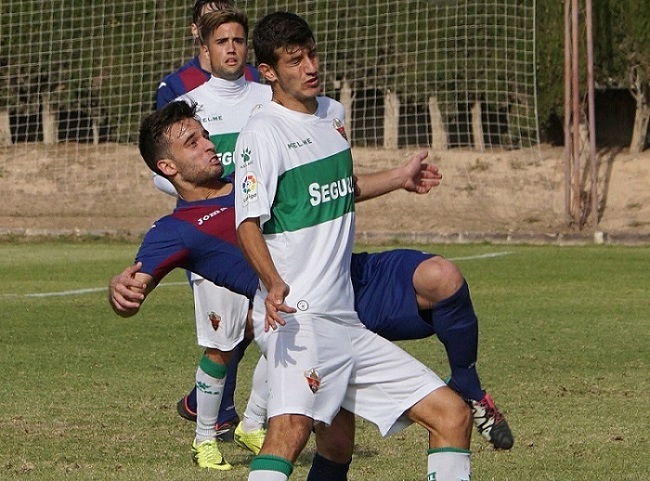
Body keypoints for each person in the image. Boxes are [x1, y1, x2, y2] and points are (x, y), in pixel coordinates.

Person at [233, 11, 472, 480]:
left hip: (345, 319)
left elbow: (343, 186)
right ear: (268, 72)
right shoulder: (262, 131)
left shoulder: (333, 115)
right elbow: (246, 220)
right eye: (295, 60)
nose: (310, 67)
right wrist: (273, 281)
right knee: (289, 430)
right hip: (297, 318)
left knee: (451, 416)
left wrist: (399, 179)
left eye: (312, 54)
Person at [155, 0, 259, 110]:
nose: (219, 26)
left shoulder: (253, 75)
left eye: (224, 19)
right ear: (194, 30)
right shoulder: (174, 85)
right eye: (209, 20)